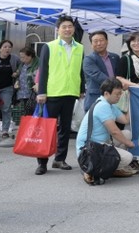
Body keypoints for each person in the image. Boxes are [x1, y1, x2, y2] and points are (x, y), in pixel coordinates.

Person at [35, 15, 85, 175]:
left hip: (71, 92)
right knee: (47, 129)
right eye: (64, 27)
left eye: (70, 26)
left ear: (74, 29)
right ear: (58, 29)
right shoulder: (49, 46)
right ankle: (42, 162)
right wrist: (41, 92)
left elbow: (80, 70)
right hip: (52, 93)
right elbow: (43, 70)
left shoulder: (80, 48)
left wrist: (81, 89)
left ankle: (59, 159)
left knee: (65, 128)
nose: (67, 29)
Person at [75, 78, 136, 185]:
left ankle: (111, 168)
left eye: (120, 93)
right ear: (107, 93)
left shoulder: (110, 104)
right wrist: (129, 144)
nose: (119, 96)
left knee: (127, 134)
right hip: (88, 150)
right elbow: (114, 131)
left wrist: (131, 99)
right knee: (128, 158)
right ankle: (91, 169)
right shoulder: (102, 106)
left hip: (99, 143)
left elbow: (126, 120)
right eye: (117, 94)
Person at [82, 31, 121, 111]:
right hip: (95, 98)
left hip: (114, 98)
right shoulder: (88, 59)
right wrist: (118, 84)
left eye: (101, 40)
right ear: (91, 44)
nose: (99, 43)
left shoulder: (115, 57)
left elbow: (119, 75)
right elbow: (98, 76)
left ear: (107, 41)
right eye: (95, 41)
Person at [15, 46, 39, 115]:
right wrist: (17, 81)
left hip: (33, 93)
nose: (21, 59)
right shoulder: (22, 64)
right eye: (20, 57)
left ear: (30, 56)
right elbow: (20, 74)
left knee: (34, 113)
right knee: (25, 113)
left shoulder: (38, 64)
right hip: (22, 93)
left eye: (23, 57)